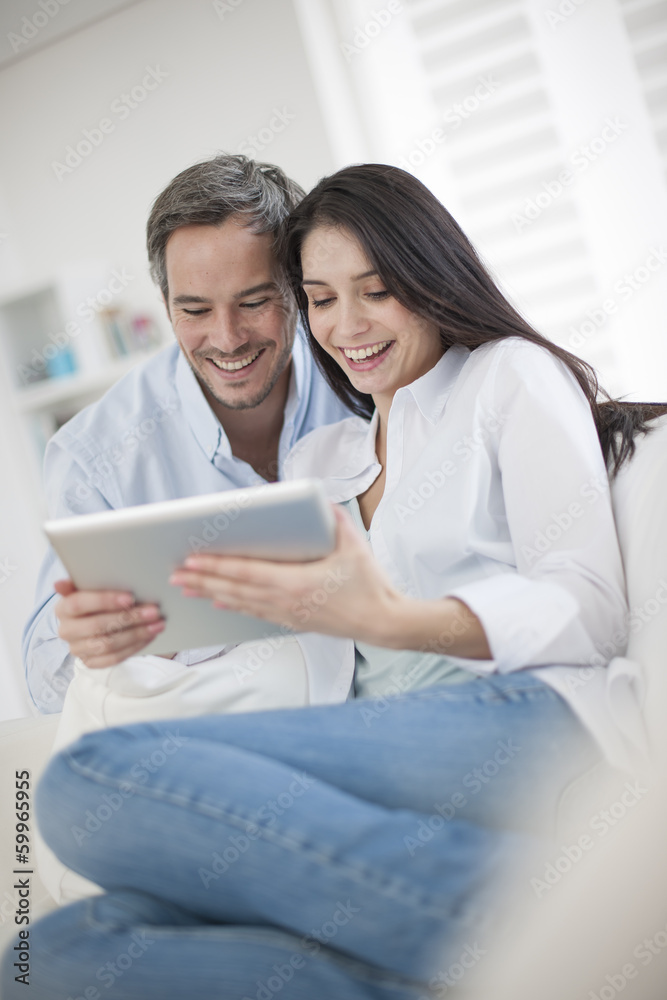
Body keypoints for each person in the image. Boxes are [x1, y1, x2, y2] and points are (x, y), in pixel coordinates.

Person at [5, 165, 651, 999]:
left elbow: (590, 607)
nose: (345, 325)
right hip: (385, 740)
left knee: (87, 783)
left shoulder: (505, 377)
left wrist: (397, 618)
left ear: (429, 278)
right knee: (48, 959)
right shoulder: (326, 459)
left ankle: (551, 936)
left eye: (374, 291)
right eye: (322, 299)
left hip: (526, 712)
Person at [23, 154, 352, 715]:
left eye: (253, 302)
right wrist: (87, 642)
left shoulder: (359, 375)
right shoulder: (97, 456)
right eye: (194, 310)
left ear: (296, 288)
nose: (226, 339)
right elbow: (44, 686)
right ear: (166, 304)